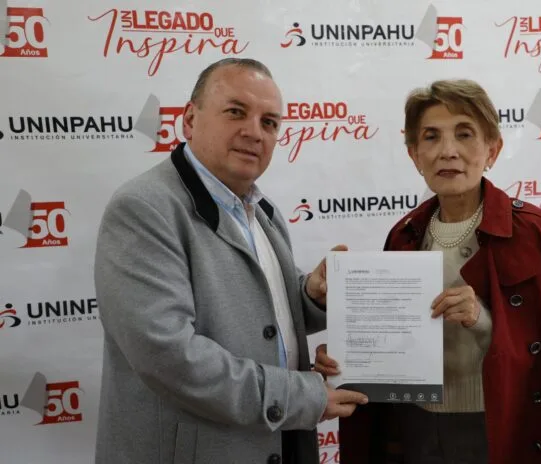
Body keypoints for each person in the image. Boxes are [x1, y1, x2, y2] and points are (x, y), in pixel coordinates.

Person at [314, 79, 541, 464]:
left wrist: (481, 319)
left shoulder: (538, 234)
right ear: (414, 154)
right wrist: (346, 357)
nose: (448, 151)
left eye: (464, 134)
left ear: (493, 149)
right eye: (431, 137)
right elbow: (392, 343)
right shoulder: (404, 234)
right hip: (414, 424)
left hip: (501, 424)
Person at [93, 58, 367, 464]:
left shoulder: (262, 209)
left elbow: (263, 312)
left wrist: (312, 294)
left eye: (269, 122)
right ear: (190, 120)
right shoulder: (143, 208)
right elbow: (169, 357)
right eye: (236, 112)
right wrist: (302, 396)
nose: (254, 132)